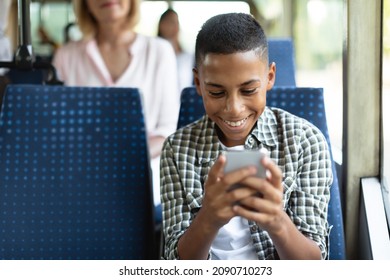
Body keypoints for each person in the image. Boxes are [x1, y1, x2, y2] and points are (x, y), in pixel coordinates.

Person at [160, 13, 332, 260]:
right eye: (217, 92)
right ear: (198, 83)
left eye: (249, 90)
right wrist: (208, 218)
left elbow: (314, 263)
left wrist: (275, 219)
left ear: (269, 77)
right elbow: (176, 263)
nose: (234, 108)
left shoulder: (305, 142)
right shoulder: (177, 150)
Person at [53, 0, 180, 208]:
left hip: (147, 187)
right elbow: (60, 132)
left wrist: (118, 158)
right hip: (81, 184)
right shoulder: (66, 56)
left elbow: (167, 131)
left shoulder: (159, 51)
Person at [157, 8, 194, 92]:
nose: (174, 26)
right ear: (161, 25)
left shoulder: (188, 57)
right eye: (170, 22)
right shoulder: (154, 53)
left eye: (176, 22)